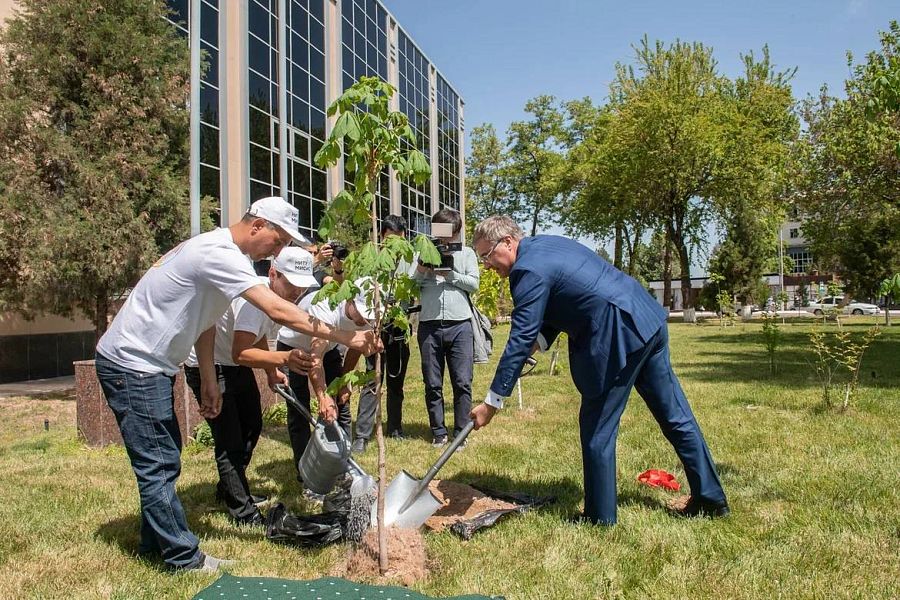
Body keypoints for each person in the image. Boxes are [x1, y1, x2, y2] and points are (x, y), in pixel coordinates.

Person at [94, 196, 379, 572]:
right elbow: (277, 310)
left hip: (152, 365)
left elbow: (206, 320)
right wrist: (346, 338)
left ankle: (154, 544)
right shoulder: (219, 253)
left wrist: (210, 377)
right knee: (159, 464)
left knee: (164, 457)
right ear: (257, 224)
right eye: (277, 241)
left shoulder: (227, 257)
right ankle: (183, 558)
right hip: (133, 364)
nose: (277, 251)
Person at [469, 215, 728, 525]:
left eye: (486, 255)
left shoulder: (526, 270)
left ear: (508, 242)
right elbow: (560, 301)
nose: (486, 265)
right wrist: (536, 343)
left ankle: (600, 517)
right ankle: (711, 498)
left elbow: (520, 336)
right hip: (645, 319)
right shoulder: (544, 246)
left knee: (597, 429)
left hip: (618, 334)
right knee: (675, 416)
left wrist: (492, 402)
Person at [183, 247, 320, 527]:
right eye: (292, 284)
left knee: (252, 425)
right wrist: (284, 359)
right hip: (210, 366)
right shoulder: (254, 301)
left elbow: (254, 338)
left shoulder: (274, 298)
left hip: (233, 365)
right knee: (229, 439)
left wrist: (271, 371)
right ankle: (243, 511)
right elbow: (240, 352)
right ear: (273, 274)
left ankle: (230, 487)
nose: (297, 292)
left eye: (302, 286)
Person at [277, 279, 375, 487]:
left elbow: (357, 346)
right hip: (293, 348)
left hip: (329, 350)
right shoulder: (325, 306)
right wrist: (322, 396)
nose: (364, 320)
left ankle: (343, 466)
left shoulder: (369, 314)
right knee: (299, 409)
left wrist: (343, 381)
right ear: (350, 301)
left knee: (342, 407)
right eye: (362, 314)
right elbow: (315, 358)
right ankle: (305, 474)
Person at [414, 208, 479, 447]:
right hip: (429, 325)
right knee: (432, 382)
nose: (443, 239)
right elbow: (412, 286)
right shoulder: (423, 251)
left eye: (448, 234)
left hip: (460, 324)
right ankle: (438, 432)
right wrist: (422, 269)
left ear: (457, 232)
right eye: (439, 232)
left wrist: (450, 275)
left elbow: (474, 284)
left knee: (462, 381)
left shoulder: (467, 253)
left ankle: (461, 434)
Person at [353, 215, 415, 452]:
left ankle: (395, 427)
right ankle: (362, 434)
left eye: (397, 239)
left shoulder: (410, 259)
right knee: (371, 380)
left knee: (396, 381)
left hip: (398, 328)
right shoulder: (372, 259)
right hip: (375, 328)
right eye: (388, 239)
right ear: (380, 237)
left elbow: (414, 287)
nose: (393, 245)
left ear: (404, 237)